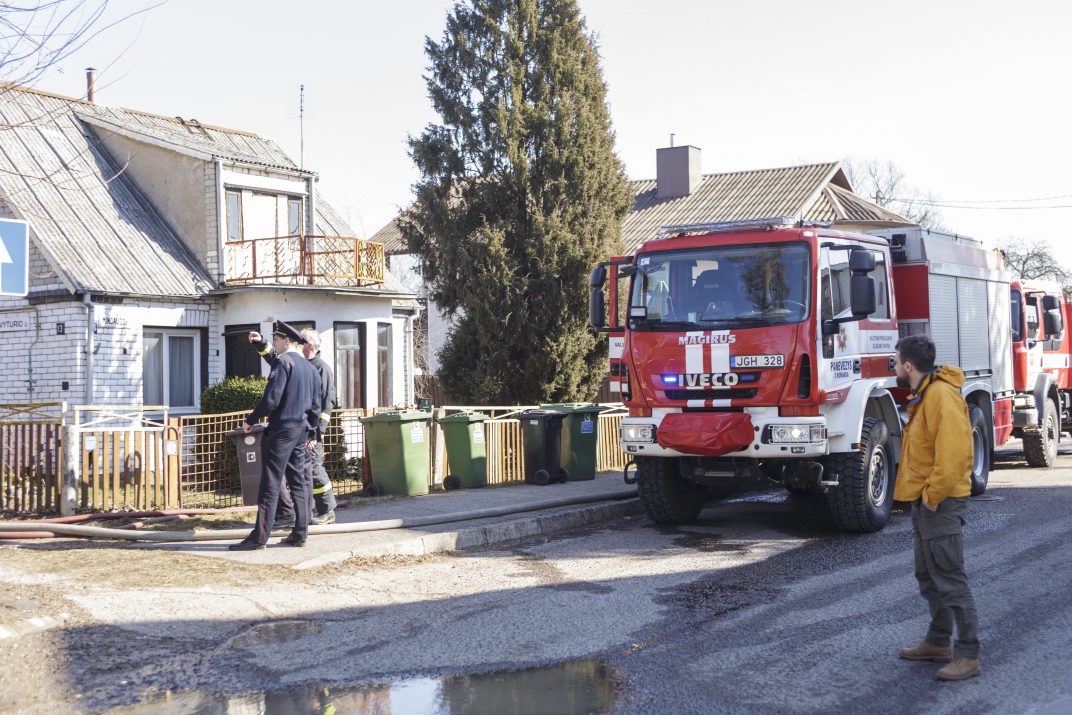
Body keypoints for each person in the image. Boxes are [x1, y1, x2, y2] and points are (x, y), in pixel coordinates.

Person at [893, 334, 981, 681]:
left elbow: (954, 454)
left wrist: (932, 496)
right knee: (929, 574)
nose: (894, 367)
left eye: (896, 362)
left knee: (950, 578)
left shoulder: (940, 396)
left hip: (940, 502)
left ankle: (968, 655)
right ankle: (938, 641)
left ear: (908, 366)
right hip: (926, 499)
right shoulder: (926, 395)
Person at [229, 321, 321, 551]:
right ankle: (300, 533)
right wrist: (311, 431)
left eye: (276, 340)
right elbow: (316, 406)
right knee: (299, 482)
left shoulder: (284, 362)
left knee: (270, 483)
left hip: (281, 431)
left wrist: (250, 420)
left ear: (286, 341)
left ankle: (259, 538)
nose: (275, 344)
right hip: (300, 430)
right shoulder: (310, 367)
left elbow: (271, 399)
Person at [248, 327, 339, 524]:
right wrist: (260, 343)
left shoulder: (321, 368)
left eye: (302, 340)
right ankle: (296, 516)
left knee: (313, 469)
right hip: (299, 430)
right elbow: (274, 357)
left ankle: (326, 509)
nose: (298, 342)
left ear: (310, 345)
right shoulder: (297, 362)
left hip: (309, 432)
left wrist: (317, 433)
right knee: (297, 474)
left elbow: (325, 404)